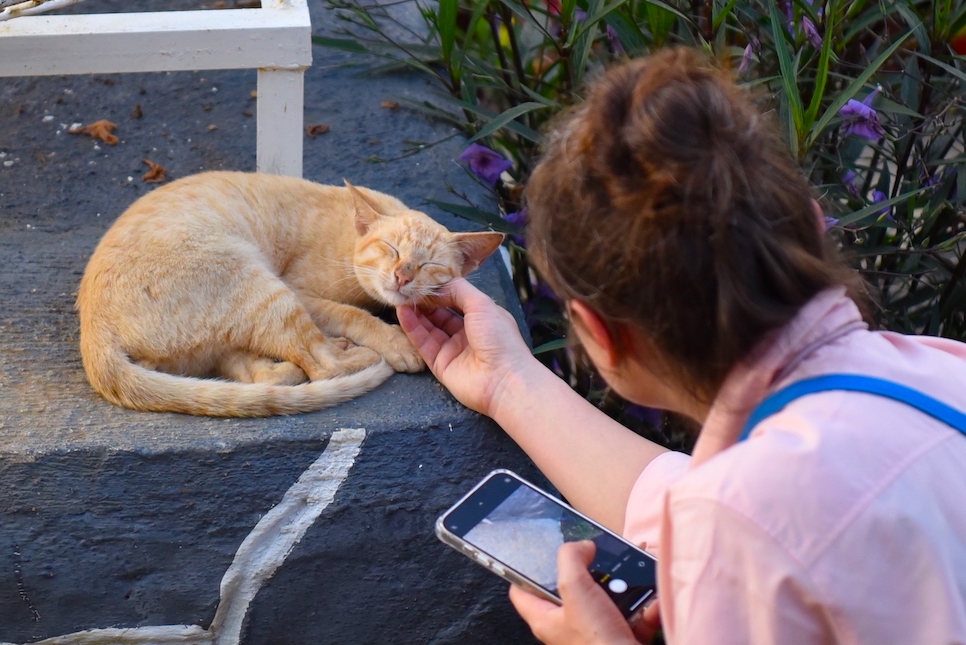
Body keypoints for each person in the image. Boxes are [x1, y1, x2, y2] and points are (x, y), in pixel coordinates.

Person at [397, 47, 966, 645]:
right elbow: (727, 500)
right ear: (810, 219)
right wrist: (509, 382)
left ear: (598, 333)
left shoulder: (741, 524)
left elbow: (745, 515)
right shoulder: (936, 371)